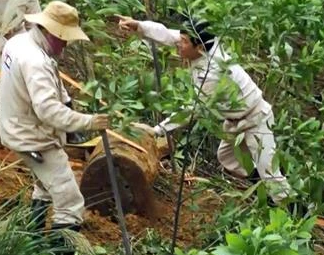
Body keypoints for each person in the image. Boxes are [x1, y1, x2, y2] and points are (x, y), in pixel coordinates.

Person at [118, 15, 291, 205]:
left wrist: (158, 130)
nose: (179, 44)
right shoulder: (204, 44)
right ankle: (263, 187)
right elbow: (168, 34)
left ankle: (291, 210)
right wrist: (139, 25)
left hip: (255, 118)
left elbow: (195, 109)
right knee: (227, 157)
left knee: (272, 176)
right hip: (234, 121)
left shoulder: (211, 72)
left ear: (199, 48)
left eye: (184, 42)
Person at [0, 0, 109, 238]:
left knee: (45, 186)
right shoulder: (35, 61)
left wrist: (67, 102)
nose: (66, 44)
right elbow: (48, 110)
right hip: (34, 139)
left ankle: (32, 240)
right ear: (49, 31)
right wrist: (88, 121)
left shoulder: (18, 42)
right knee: (71, 204)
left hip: (17, 128)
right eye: (64, 37)